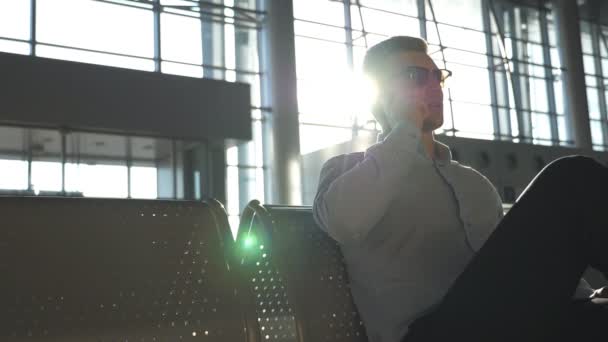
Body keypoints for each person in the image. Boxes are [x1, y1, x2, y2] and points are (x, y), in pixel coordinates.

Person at [312, 36, 608, 342]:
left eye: (437, 76)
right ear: (381, 95)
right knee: (571, 177)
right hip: (432, 332)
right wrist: (405, 128)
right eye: (416, 76)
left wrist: (585, 297)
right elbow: (343, 222)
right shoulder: (346, 168)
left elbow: (523, 268)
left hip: (518, 321)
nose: (434, 86)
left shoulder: (473, 182)